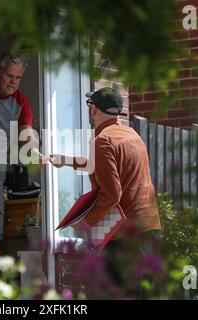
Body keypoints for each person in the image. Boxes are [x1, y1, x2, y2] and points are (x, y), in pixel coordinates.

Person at [50, 87, 162, 298]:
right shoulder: (131, 135)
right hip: (149, 230)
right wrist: (65, 160)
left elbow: (112, 194)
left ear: (93, 109)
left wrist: (87, 221)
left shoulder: (101, 141)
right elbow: (105, 165)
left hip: (123, 236)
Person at [0, 52, 38, 242]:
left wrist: (33, 146)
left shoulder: (22, 103)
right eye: (9, 76)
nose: (13, 82)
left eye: (18, 78)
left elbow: (26, 132)